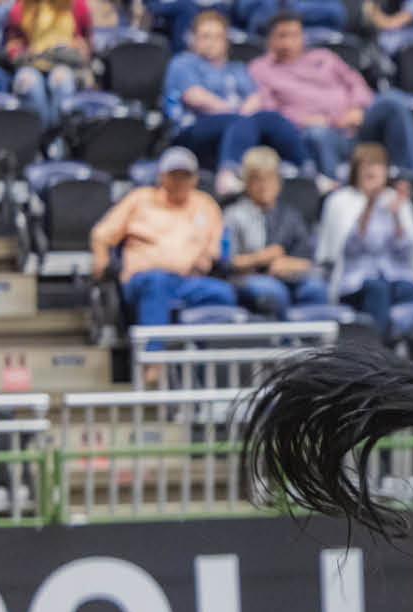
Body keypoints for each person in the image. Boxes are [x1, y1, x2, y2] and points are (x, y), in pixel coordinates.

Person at [89, 146, 236, 374]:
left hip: (188, 281)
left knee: (224, 293)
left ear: (195, 178)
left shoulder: (206, 204)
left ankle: (207, 370)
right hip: (144, 280)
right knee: (158, 283)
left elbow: (214, 249)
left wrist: (204, 259)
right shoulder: (140, 199)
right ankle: (152, 363)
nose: (179, 180)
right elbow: (101, 233)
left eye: (185, 175)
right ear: (162, 177)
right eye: (174, 175)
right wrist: (100, 259)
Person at [248, 12, 413, 180]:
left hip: (356, 125)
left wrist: (357, 108)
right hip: (320, 133)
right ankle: (337, 193)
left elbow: (356, 83)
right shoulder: (261, 69)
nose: (288, 42)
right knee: (318, 134)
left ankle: (411, 178)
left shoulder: (324, 57)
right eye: (282, 36)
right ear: (270, 40)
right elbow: (270, 113)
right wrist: (318, 121)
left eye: (294, 35)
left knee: (392, 102)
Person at [164, 9, 308, 193]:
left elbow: (256, 97)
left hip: (237, 123)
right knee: (240, 121)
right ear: (193, 39)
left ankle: (305, 171)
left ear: (226, 41)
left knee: (274, 119)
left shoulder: (237, 68)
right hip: (193, 130)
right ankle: (228, 174)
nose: (211, 43)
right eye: (205, 37)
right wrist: (238, 113)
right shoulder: (183, 63)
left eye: (217, 37)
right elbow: (195, 96)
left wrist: (244, 116)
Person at [315, 142, 413, 336]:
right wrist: (369, 205)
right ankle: (379, 352)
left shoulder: (396, 200)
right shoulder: (339, 201)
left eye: (377, 164)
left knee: (409, 290)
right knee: (377, 289)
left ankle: (408, 355)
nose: (372, 169)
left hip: (394, 275)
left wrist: (396, 216)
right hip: (354, 282)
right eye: (366, 164)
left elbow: (410, 251)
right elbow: (343, 250)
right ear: (356, 169)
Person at [222, 146, 325, 317]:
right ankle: (284, 343)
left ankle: (314, 343)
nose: (264, 186)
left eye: (269, 179)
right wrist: (260, 258)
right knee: (273, 292)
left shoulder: (290, 216)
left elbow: (309, 260)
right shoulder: (234, 214)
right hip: (246, 279)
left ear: (279, 181)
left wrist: (289, 264)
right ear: (247, 183)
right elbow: (226, 263)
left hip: (288, 277)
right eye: (257, 180)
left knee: (316, 288)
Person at [4, 0, 89, 128]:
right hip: (31, 64)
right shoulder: (20, 6)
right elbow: (12, 44)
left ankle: (56, 137)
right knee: (28, 82)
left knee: (61, 79)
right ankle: (42, 137)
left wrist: (80, 47)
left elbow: (86, 44)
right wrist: (19, 52)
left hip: (65, 64)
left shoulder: (77, 4)